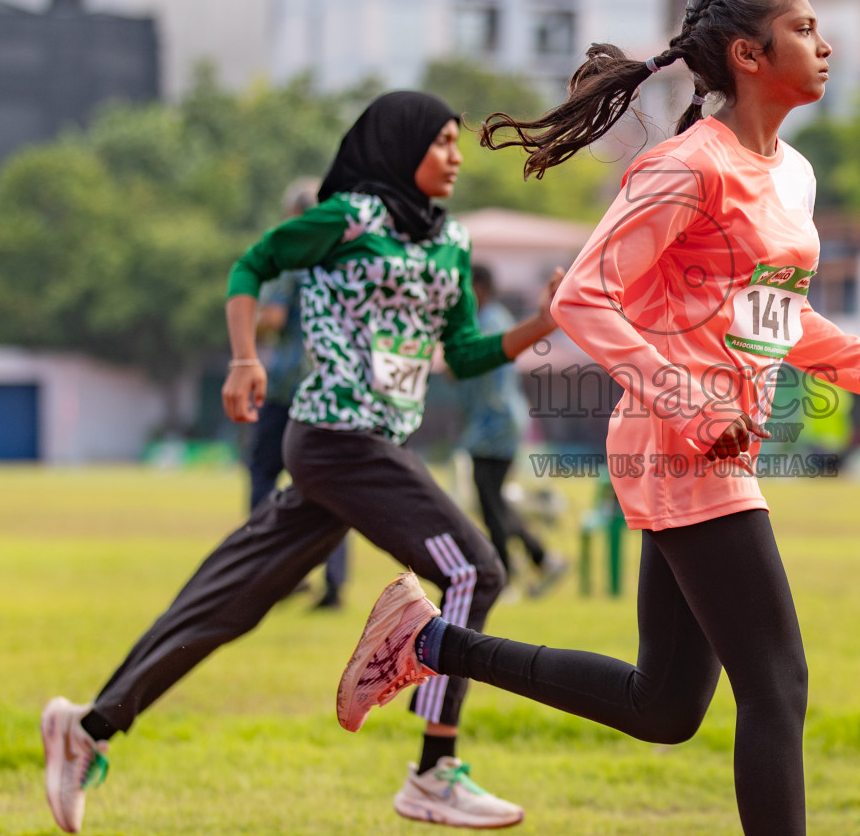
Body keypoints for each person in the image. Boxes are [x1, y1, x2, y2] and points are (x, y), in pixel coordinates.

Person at [334, 0, 860, 836]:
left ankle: (430, 642)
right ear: (750, 56)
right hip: (681, 445)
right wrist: (689, 403)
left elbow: (771, 313)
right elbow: (584, 299)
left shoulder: (791, 174)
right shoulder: (687, 167)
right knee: (777, 684)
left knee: (666, 706)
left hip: (720, 443)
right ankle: (430, 643)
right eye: (805, 28)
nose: (824, 45)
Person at [41, 91, 564, 833]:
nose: (455, 157)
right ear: (396, 146)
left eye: (458, 144)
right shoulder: (346, 219)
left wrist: (546, 321)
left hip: (372, 445)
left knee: (226, 600)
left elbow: (464, 355)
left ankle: (86, 726)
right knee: (474, 570)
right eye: (442, 142)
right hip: (336, 440)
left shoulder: (451, 244)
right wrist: (244, 360)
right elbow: (251, 265)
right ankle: (432, 770)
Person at [247, 176, 350, 609]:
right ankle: (334, 582)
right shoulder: (345, 259)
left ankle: (270, 571)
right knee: (331, 487)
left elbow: (271, 316)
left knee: (262, 472)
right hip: (334, 387)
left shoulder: (291, 258)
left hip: (289, 386)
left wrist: (246, 329)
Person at [456, 263, 568, 597]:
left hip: (496, 425)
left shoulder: (491, 321)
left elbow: (481, 374)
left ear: (481, 288)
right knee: (494, 501)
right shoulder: (488, 319)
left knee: (490, 502)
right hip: (490, 425)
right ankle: (541, 558)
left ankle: (505, 577)